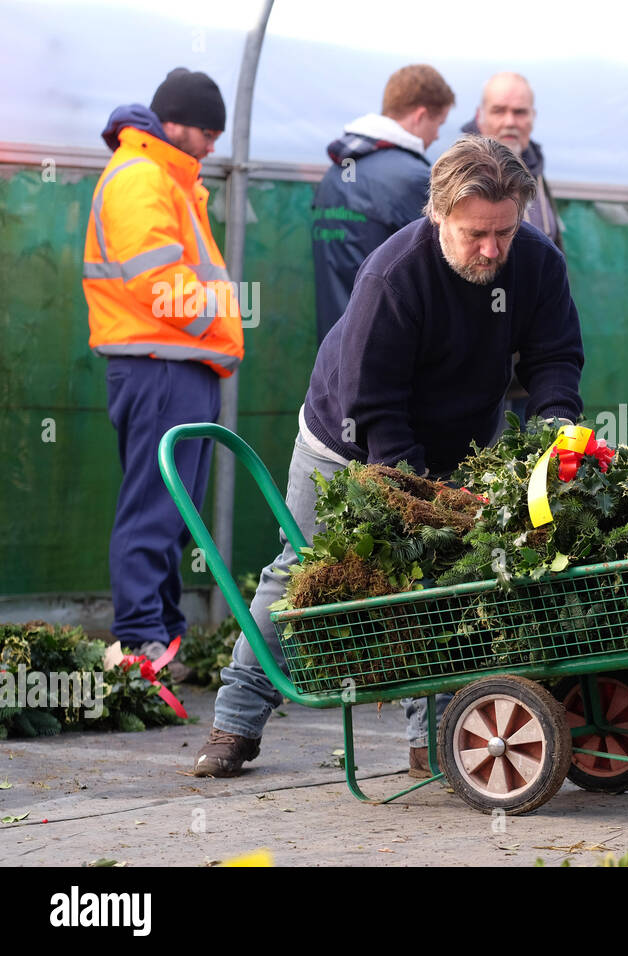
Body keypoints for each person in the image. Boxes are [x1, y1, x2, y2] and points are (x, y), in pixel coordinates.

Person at [194, 136, 585, 778]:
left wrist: (555, 426)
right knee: (300, 575)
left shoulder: (537, 263)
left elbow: (554, 356)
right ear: (438, 215)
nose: (492, 249)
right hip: (346, 441)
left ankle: (430, 744)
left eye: (504, 233)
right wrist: (419, 497)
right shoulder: (394, 274)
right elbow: (371, 404)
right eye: (474, 234)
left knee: (449, 587)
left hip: (463, 442)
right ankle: (234, 725)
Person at [83, 68, 245, 678]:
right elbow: (157, 280)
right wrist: (219, 322)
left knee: (174, 510)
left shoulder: (164, 177)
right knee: (154, 507)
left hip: (179, 364)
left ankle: (165, 638)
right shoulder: (141, 177)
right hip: (159, 365)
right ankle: (138, 643)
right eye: (208, 131)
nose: (211, 146)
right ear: (175, 123)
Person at [311, 64, 455, 344]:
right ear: (421, 115)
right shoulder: (412, 180)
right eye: (439, 123)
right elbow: (441, 278)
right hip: (387, 352)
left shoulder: (336, 171)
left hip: (334, 349)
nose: (437, 135)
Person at [460, 72, 563, 251]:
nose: (510, 122)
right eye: (499, 111)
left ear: (533, 116)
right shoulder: (461, 173)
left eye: (520, 112)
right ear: (480, 116)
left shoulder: (533, 164)